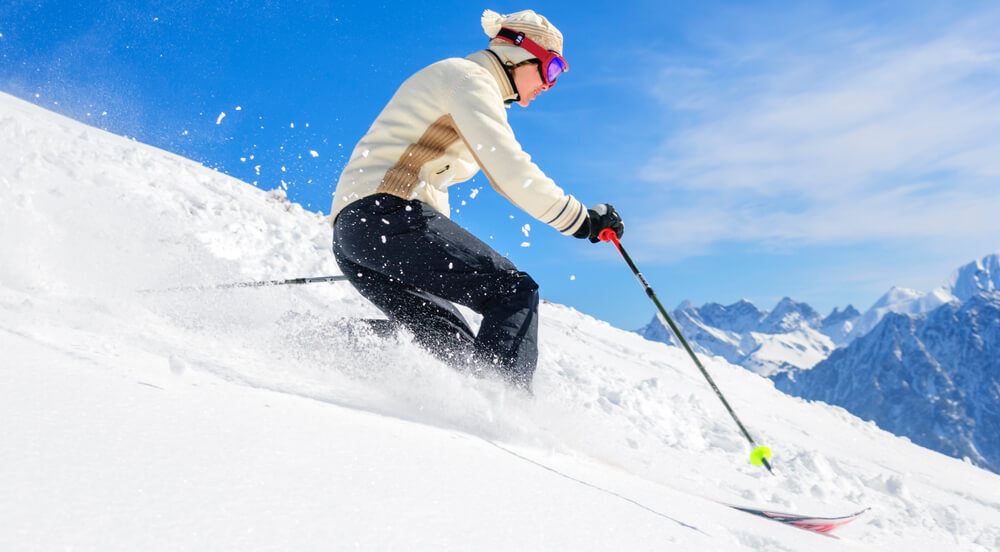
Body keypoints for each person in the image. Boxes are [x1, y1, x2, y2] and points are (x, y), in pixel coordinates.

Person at [330, 9, 624, 390]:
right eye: (552, 68)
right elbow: (511, 171)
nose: (550, 84)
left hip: (361, 231)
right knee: (514, 292)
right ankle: (507, 410)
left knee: (457, 351)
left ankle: (317, 343)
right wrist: (583, 220)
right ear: (519, 53)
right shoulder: (471, 80)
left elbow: (428, 187)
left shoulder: (469, 86)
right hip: (383, 215)